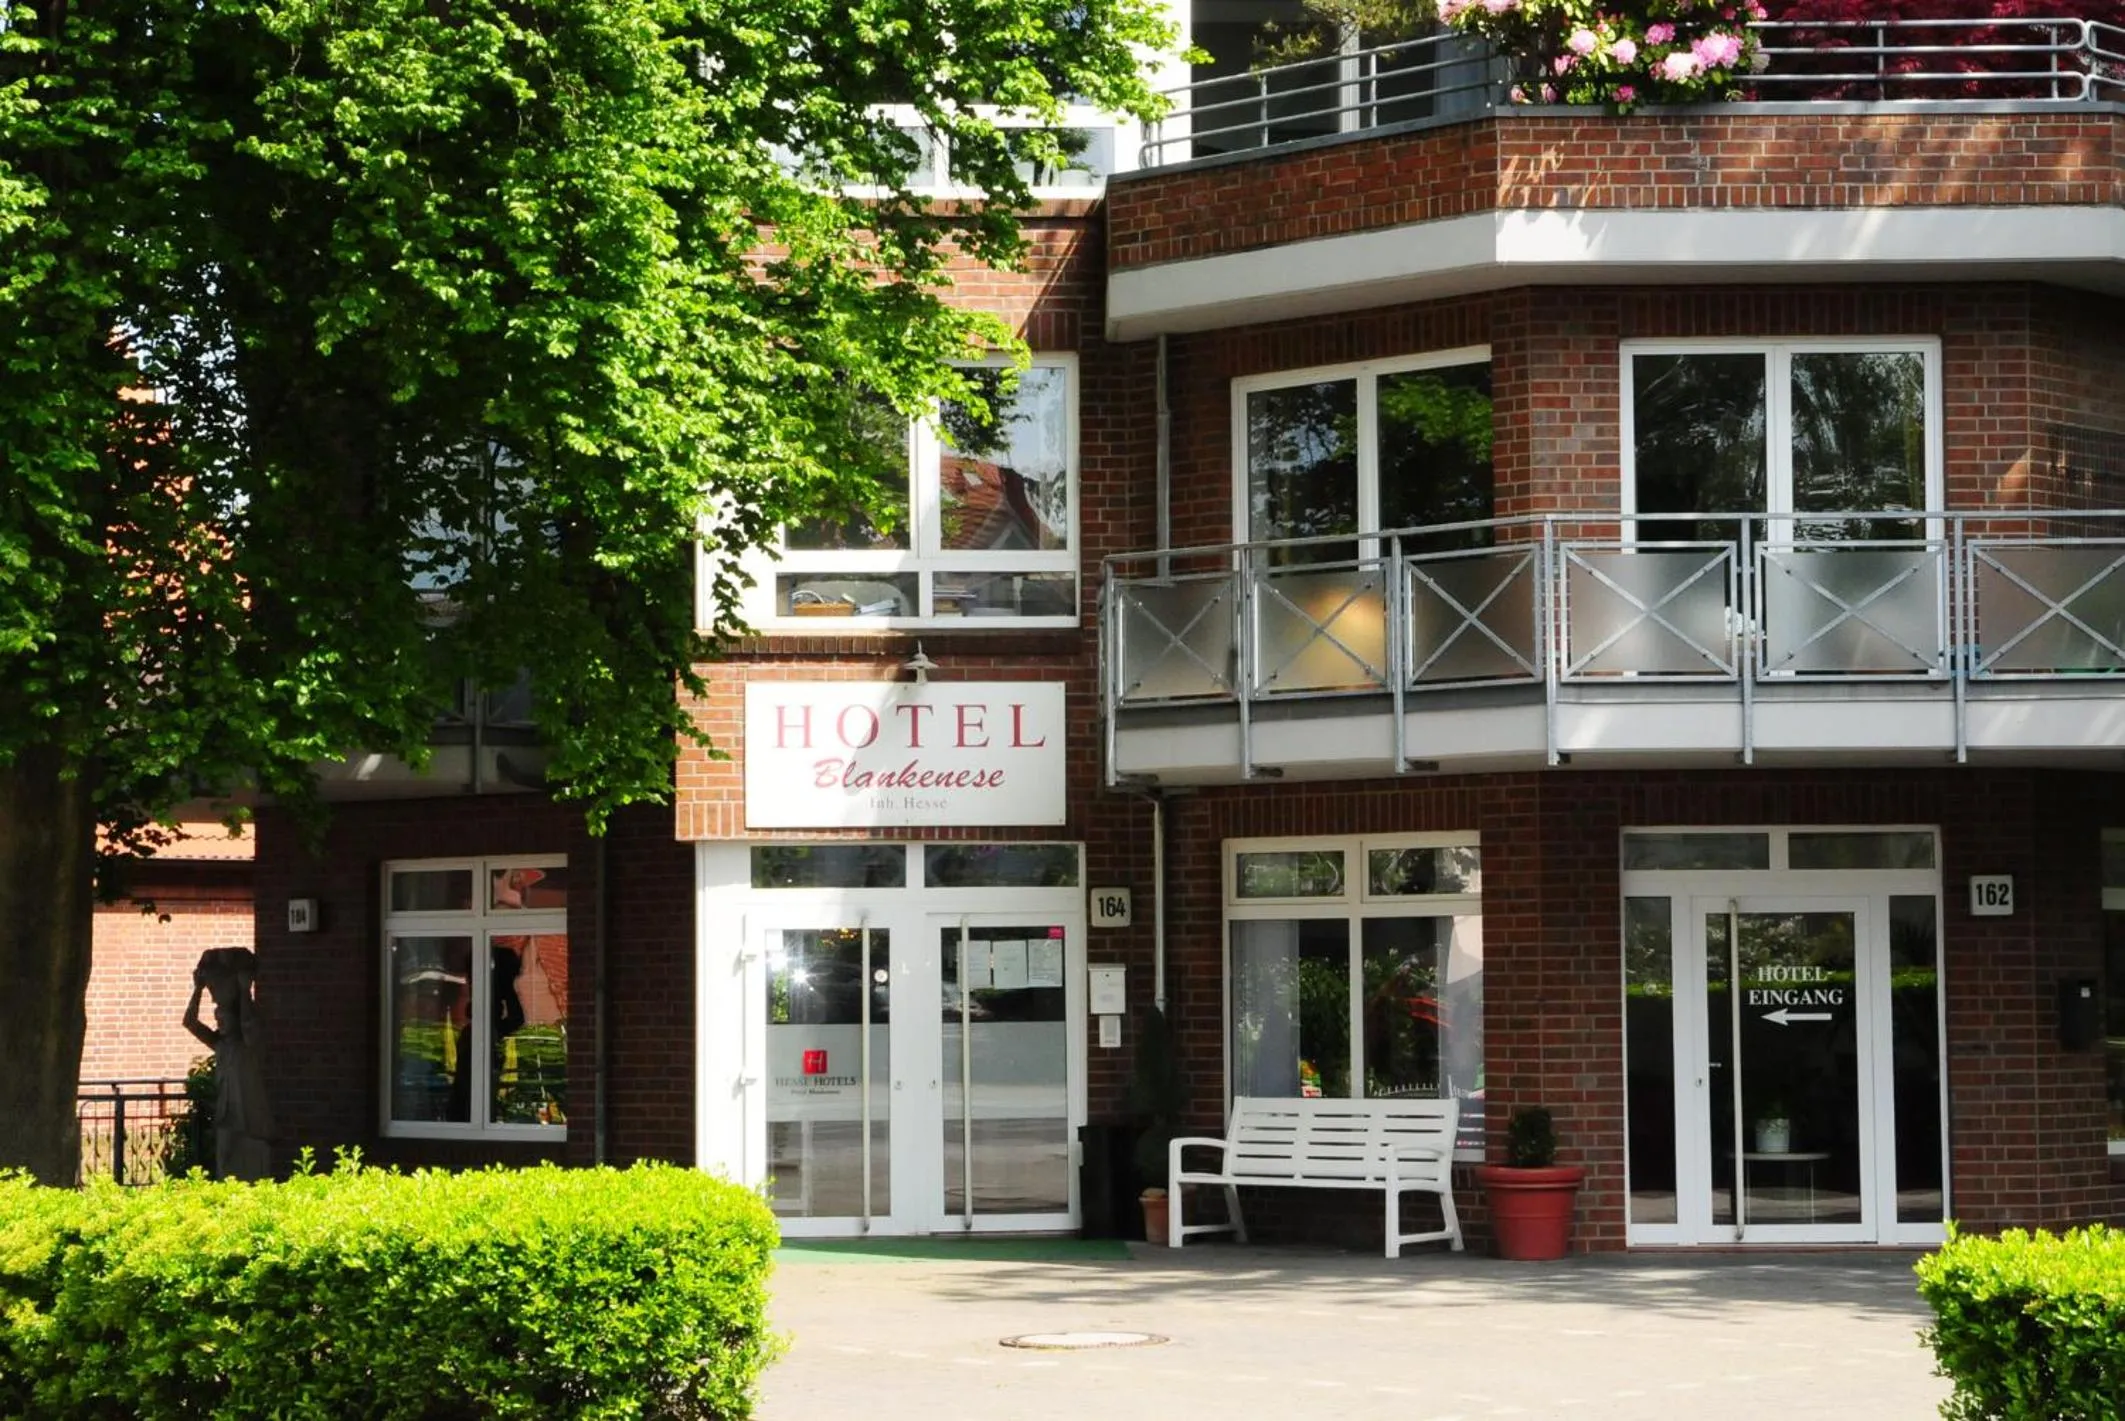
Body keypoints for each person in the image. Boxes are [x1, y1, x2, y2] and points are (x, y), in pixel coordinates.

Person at [183, 947, 275, 1180]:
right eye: (217, 1019)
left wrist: (245, 992)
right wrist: (198, 989)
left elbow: (248, 1025)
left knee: (253, 1169)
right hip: (228, 1114)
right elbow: (190, 1023)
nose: (220, 1023)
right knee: (224, 1163)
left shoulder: (250, 1044)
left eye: (224, 1019)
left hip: (251, 1116)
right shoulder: (221, 1045)